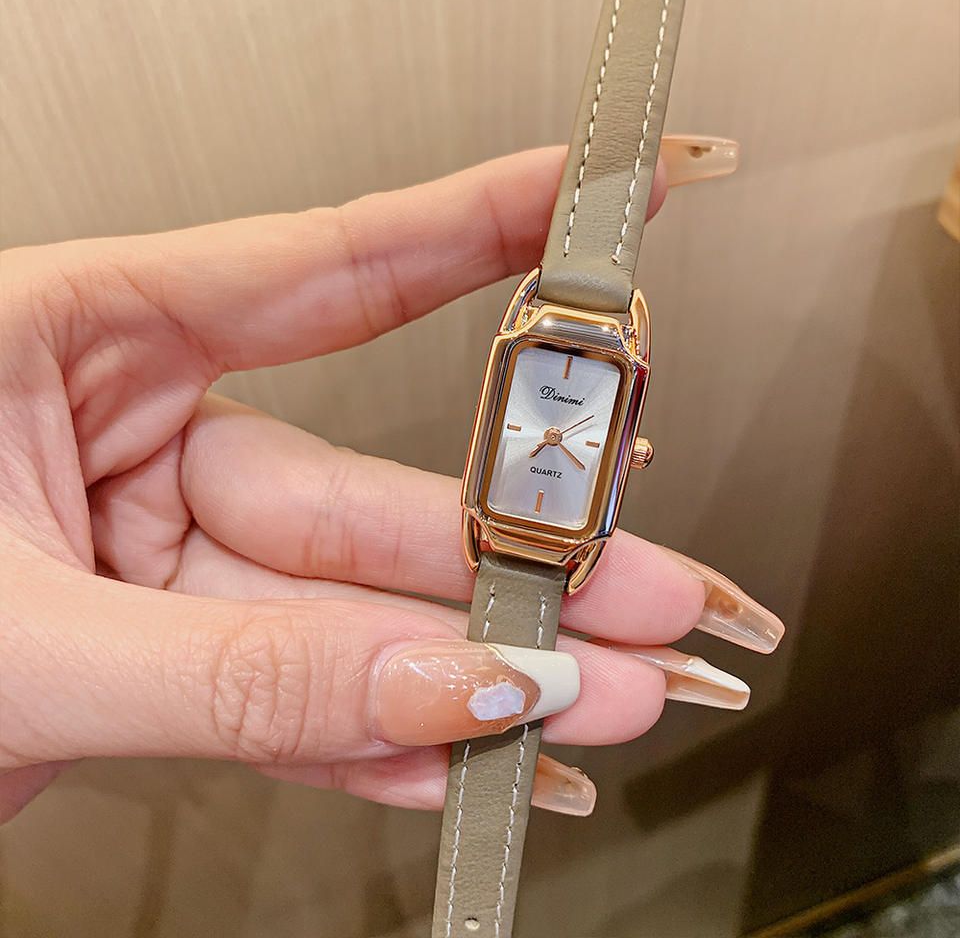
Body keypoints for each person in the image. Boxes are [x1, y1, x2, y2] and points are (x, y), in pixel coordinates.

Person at [0, 145, 782, 824]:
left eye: (580, 438)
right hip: (511, 522)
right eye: (545, 426)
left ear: (626, 452)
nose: (551, 434)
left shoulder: (570, 358)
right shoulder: (541, 358)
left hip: (546, 531)